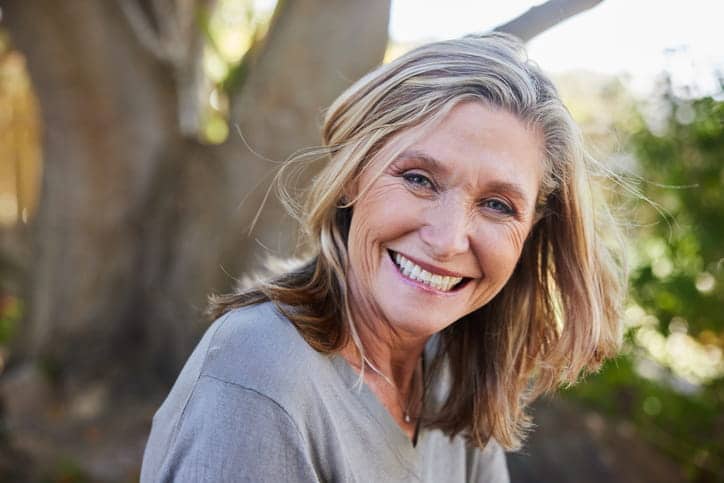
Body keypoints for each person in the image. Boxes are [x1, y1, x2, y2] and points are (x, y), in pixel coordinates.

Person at [140, 32, 626, 482]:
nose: (448, 239)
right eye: (418, 178)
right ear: (353, 172)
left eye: (497, 205)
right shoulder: (260, 372)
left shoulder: (449, 371)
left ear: (531, 232)